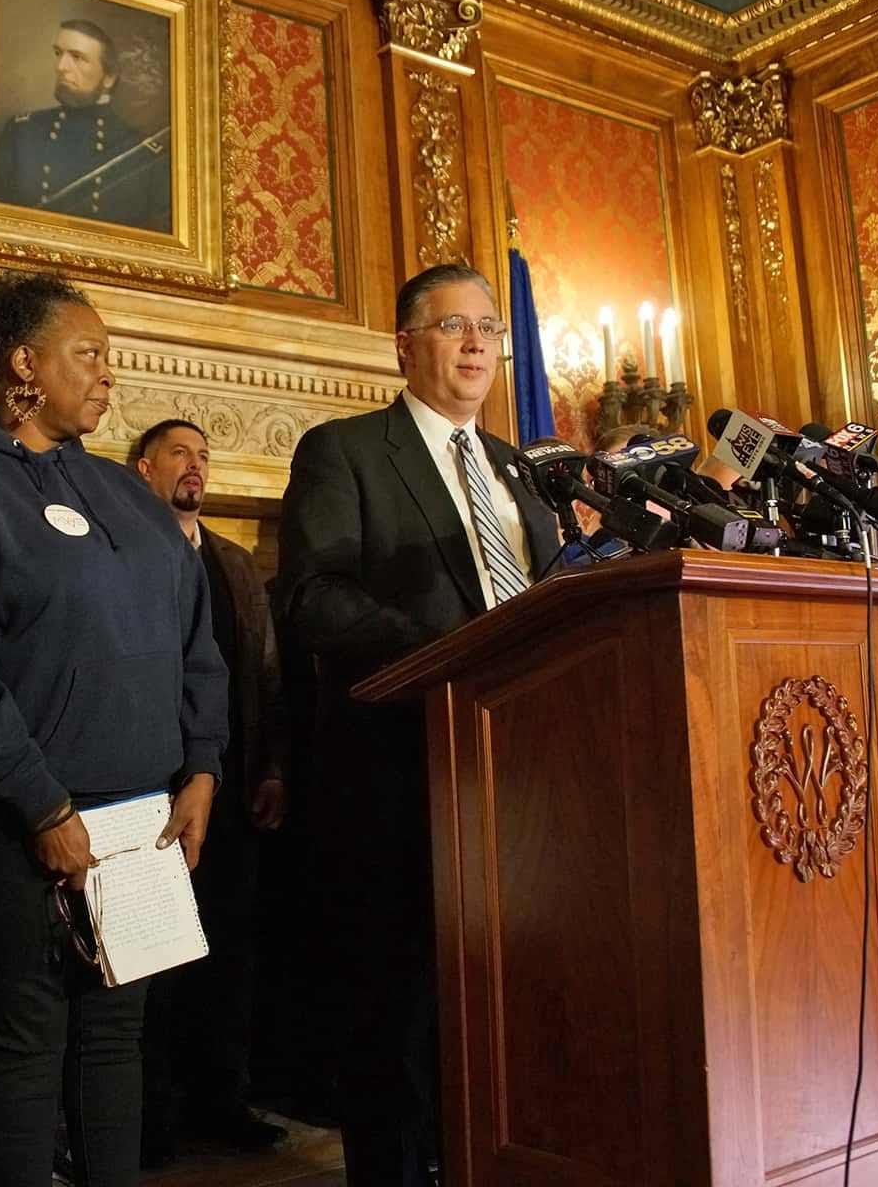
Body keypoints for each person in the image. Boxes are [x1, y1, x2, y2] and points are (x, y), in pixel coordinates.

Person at [0, 270, 228, 1187]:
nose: (107, 375)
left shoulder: (124, 493)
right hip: (26, 820)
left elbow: (194, 636)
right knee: (30, 1038)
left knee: (118, 1039)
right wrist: (41, 807)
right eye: (89, 354)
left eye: (109, 357)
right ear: (23, 365)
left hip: (145, 819)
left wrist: (202, 767)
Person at [275, 263, 560, 1187]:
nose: (479, 343)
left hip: (521, 770)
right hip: (398, 771)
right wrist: (462, 642)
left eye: (488, 327)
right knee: (396, 1010)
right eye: (454, 326)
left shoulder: (521, 468)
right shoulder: (347, 450)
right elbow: (315, 600)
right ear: (406, 345)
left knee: (501, 996)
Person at [132, 418, 288, 1164]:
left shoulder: (230, 561)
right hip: (152, 792)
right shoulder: (122, 554)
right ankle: (151, 1117)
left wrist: (273, 769)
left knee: (229, 954)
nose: (195, 466)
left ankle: (223, 1100)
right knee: (155, 961)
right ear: (143, 469)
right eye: (179, 454)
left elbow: (263, 674)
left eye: (203, 454)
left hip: (233, 790)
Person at [0, 19, 171, 232]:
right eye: (58, 53)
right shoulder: (21, 132)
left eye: (77, 58)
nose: (61, 67)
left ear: (109, 78)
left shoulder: (143, 155)